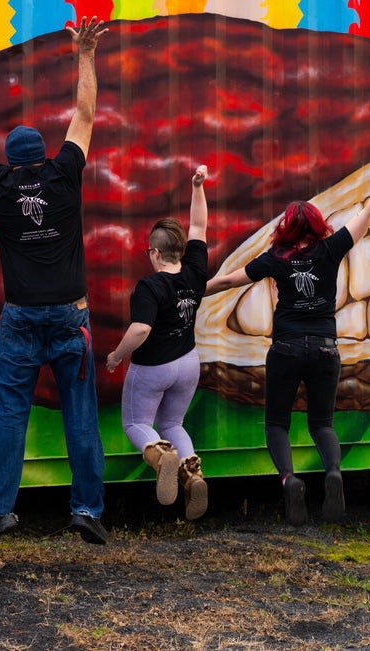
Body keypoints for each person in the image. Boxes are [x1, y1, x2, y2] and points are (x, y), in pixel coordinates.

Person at [0, 16, 110, 549]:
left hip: (22, 318)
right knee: (81, 417)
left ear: (9, 159)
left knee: (8, 415)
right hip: (70, 316)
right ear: (46, 155)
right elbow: (85, 112)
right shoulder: (65, 173)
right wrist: (85, 53)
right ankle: (87, 511)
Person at [205, 150, 370, 525]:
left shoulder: (275, 259)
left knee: (277, 424)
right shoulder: (330, 249)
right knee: (321, 424)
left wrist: (189, 291)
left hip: (284, 349)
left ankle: (289, 480)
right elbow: (369, 211)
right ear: (316, 225)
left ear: (286, 228)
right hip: (324, 350)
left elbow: (229, 280)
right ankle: (332, 472)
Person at [106, 165, 210, 521]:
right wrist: (198, 187)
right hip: (188, 363)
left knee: (137, 424)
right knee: (172, 424)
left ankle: (160, 455)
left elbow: (140, 330)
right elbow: (198, 226)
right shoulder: (196, 271)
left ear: (153, 253)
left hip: (154, 367)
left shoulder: (149, 287)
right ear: (181, 249)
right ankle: (192, 474)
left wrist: (117, 356)